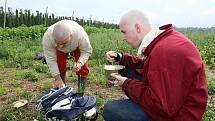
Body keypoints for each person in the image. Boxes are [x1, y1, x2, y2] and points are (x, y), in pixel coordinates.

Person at [103, 10, 208, 121]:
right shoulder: (163, 40)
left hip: (179, 115)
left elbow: (162, 107)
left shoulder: (164, 51)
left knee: (111, 109)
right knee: (127, 69)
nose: (123, 37)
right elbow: (146, 64)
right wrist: (121, 57)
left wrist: (126, 84)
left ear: (137, 28)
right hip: (173, 100)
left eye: (124, 32)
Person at [42, 20, 92, 95]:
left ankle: (80, 93)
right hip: (59, 50)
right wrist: (57, 78)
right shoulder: (48, 37)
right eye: (58, 42)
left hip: (77, 46)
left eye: (64, 43)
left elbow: (86, 51)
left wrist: (79, 63)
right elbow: (51, 59)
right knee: (60, 66)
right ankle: (62, 90)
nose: (61, 45)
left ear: (71, 35)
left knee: (83, 69)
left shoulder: (81, 35)